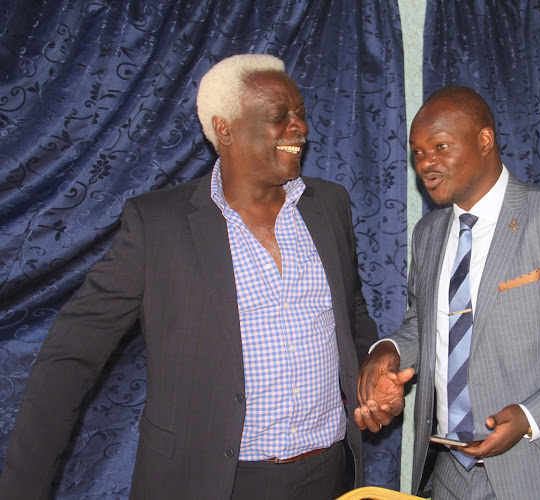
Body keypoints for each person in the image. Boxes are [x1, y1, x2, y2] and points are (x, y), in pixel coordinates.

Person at [0, 54, 378, 500]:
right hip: (212, 483)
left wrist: (371, 375)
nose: (300, 128)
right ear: (225, 128)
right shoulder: (157, 225)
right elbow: (70, 358)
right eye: (280, 117)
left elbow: (351, 314)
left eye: (300, 114)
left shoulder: (329, 204)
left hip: (327, 473)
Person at [355, 86, 540, 499]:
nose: (426, 163)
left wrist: (531, 417)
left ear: (485, 140)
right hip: (449, 472)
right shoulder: (429, 233)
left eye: (440, 146)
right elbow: (425, 322)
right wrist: (390, 351)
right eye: (417, 152)